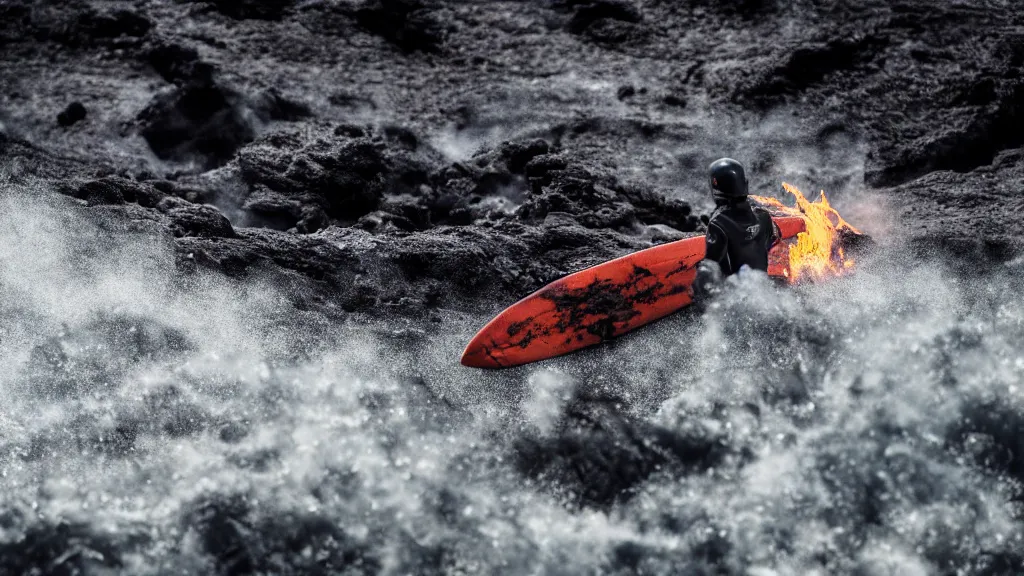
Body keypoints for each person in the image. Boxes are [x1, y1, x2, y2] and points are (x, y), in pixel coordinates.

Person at [692, 158, 780, 301]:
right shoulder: (764, 216)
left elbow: (711, 265)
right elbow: (774, 239)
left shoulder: (718, 223)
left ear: (715, 188)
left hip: (736, 299)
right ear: (745, 184)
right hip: (763, 293)